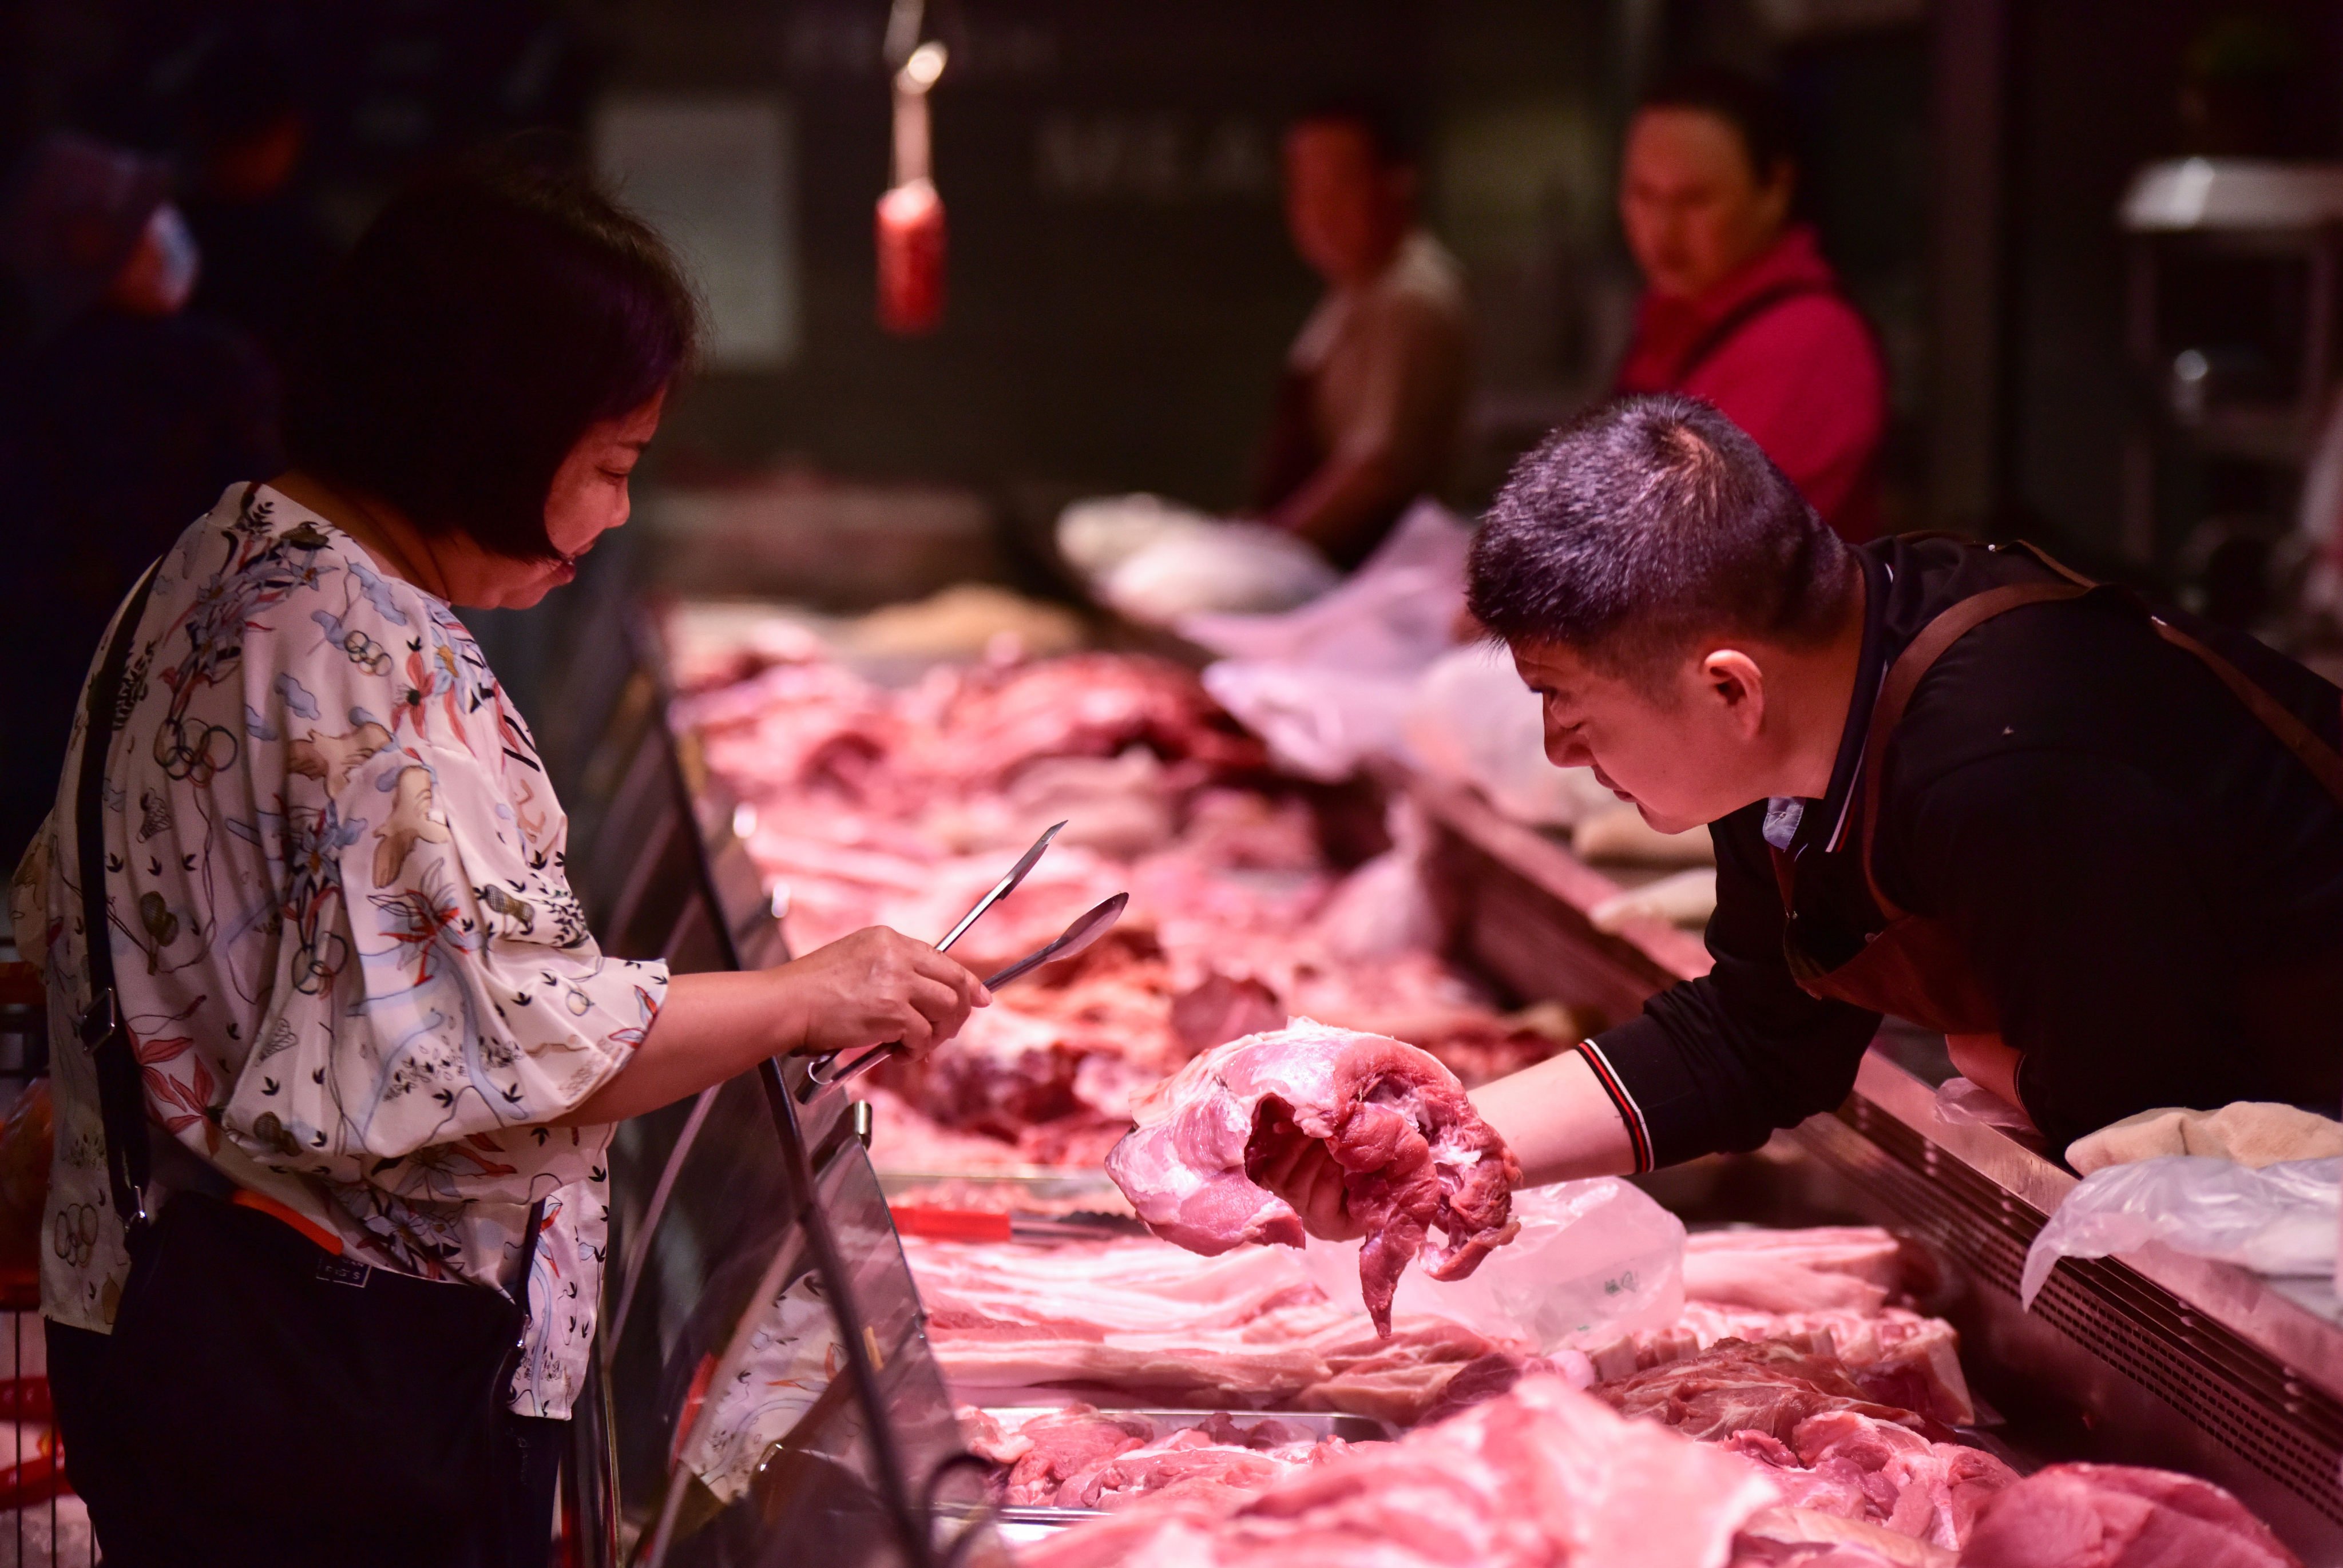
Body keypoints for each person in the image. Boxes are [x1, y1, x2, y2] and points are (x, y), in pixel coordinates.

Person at [6, 155, 989, 1565]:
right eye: (609, 465)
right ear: (488, 424)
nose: (617, 515)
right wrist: (802, 993)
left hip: (186, 1345)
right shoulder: (347, 652)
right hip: (333, 1388)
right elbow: (470, 1047)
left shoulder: (222, 563)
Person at [1262, 395, 2343, 1227]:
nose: (1558, 751)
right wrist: (1433, 1148)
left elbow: (2149, 1115)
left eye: (1565, 703)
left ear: (1728, 686)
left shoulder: (2004, 762)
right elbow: (1758, 1038)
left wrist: (1990, 1062)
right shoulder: (1804, 708)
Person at [0, 131, 283, 871]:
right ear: (95, 249)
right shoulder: (213, 371)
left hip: (42, 730)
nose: (169, 234)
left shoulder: (31, 381)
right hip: (192, 721)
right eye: (147, 223)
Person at [1613, 68, 1886, 539]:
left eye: (1694, 200)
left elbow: (1696, 552)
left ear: (1774, 191)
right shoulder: (1675, 316)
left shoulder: (1807, 342)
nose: (1661, 231)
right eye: (1643, 195)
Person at [1250, 101, 1473, 571]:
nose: (1318, 211)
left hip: (1374, 576)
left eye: (1338, 186)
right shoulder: (1357, 286)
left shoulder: (1410, 298)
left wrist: (1266, 547)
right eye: (1304, 189)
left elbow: (1374, 471)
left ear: (1397, 183)